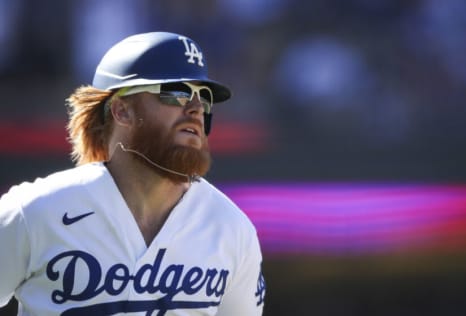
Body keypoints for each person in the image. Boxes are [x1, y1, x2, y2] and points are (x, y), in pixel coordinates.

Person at [0, 31, 266, 315]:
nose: (196, 108)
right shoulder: (33, 212)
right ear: (121, 111)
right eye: (176, 93)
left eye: (203, 97)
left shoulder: (233, 230)